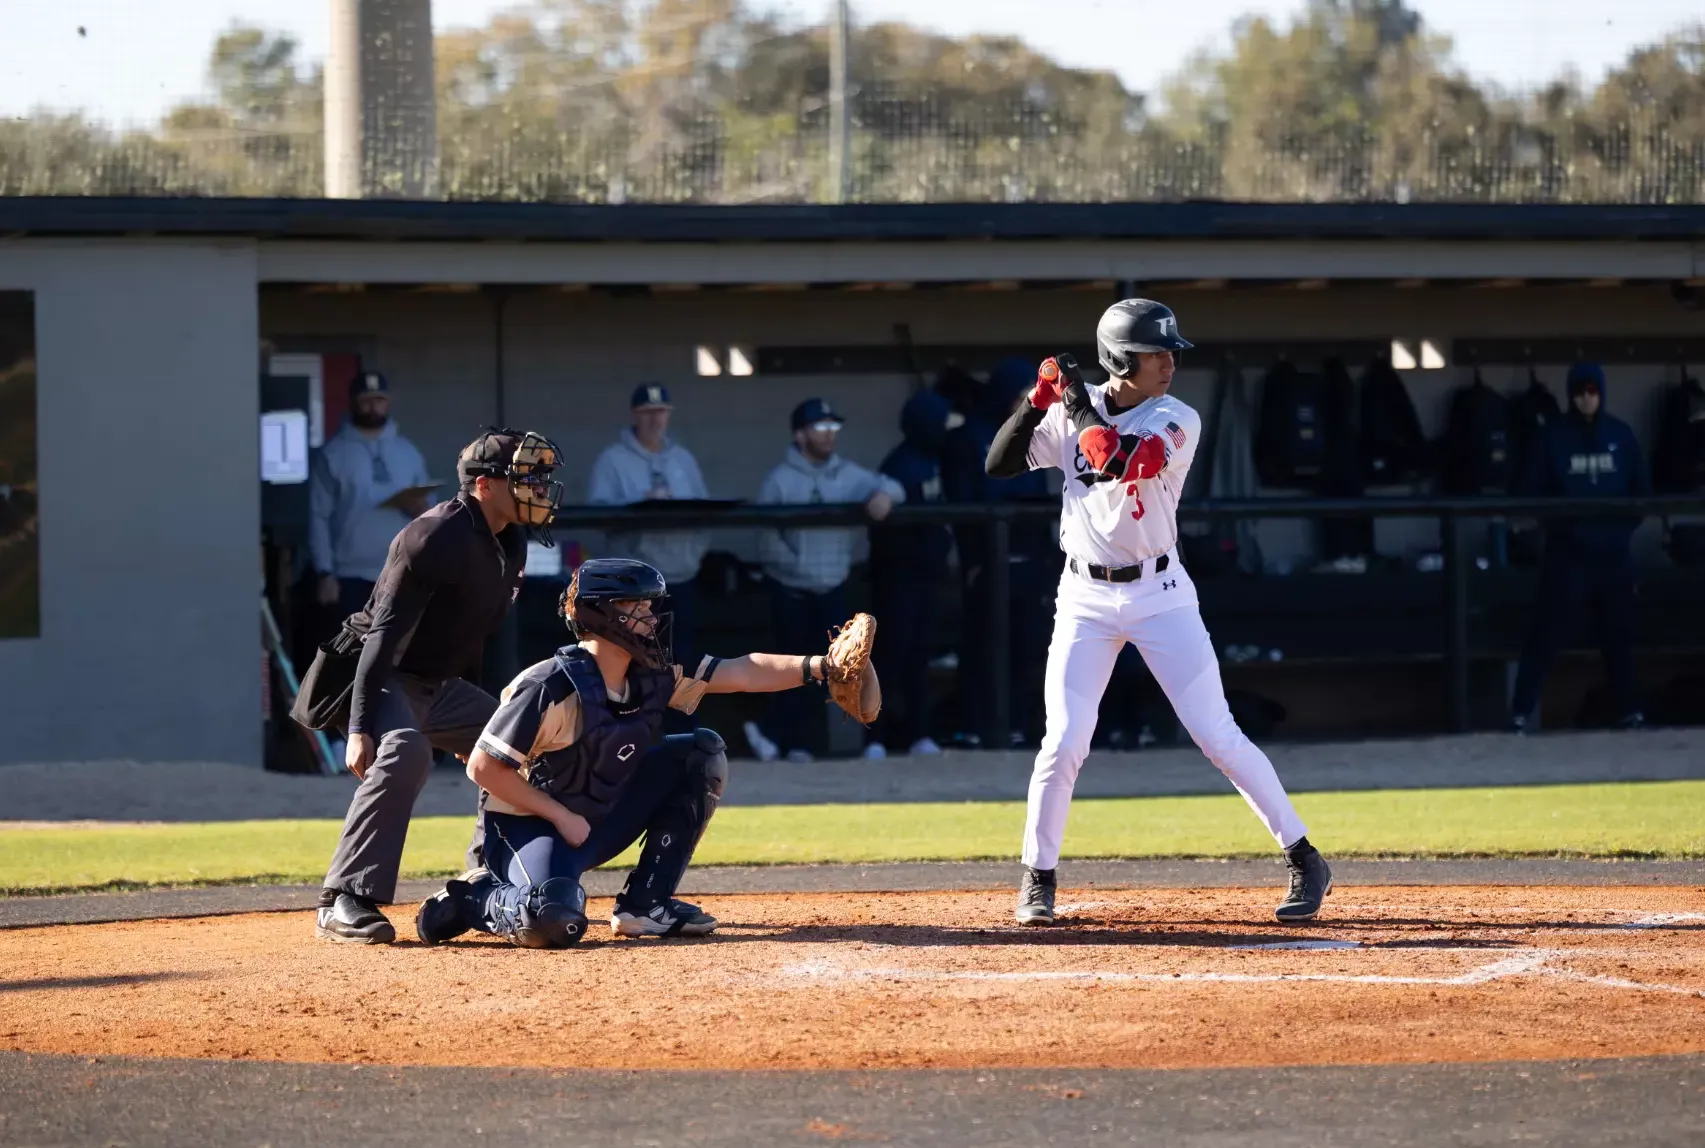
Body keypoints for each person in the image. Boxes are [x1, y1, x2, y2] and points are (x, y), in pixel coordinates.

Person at [984, 298, 1332, 927]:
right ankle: (1038, 877)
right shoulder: (1072, 409)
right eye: (1156, 353)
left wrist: (1073, 398)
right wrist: (1037, 401)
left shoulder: (1176, 417)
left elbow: (1118, 460)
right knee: (1063, 743)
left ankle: (1305, 858)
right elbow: (999, 464)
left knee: (1218, 735)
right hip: (1084, 598)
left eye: (1171, 352)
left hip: (1160, 594)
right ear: (1121, 359)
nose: (1170, 363)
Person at [412, 558, 875, 948]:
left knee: (699, 753)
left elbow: (741, 671)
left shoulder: (652, 672)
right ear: (601, 615)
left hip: (597, 818)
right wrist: (559, 816)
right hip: (525, 830)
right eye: (636, 608)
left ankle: (645, 905)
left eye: (650, 607)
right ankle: (474, 896)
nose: (651, 618)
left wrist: (821, 667)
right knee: (555, 919)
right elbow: (484, 767)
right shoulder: (548, 685)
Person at [312, 429, 565, 944]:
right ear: (484, 485)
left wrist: (478, 730)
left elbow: (470, 636)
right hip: (379, 674)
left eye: (539, 477)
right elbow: (382, 636)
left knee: (519, 743)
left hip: (439, 683)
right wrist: (359, 728)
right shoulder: (433, 536)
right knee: (406, 750)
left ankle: (486, 878)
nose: (538, 488)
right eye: (524, 477)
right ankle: (342, 899)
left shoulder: (509, 540)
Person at [744, 399, 905, 763]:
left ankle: (788, 738)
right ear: (801, 435)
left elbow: (895, 487)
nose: (829, 435)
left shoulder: (847, 474)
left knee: (832, 668)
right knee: (793, 669)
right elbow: (766, 539)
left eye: (833, 428)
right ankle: (787, 740)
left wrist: (884, 496)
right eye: (820, 428)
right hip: (790, 591)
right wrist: (799, 570)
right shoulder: (780, 479)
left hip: (832, 588)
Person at [1509, 362, 1650, 732]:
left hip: (1613, 556)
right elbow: (1531, 492)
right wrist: (1563, 531)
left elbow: (1642, 493)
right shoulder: (1551, 437)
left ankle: (1630, 711)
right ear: (1570, 395)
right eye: (1579, 392)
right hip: (1567, 556)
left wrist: (1617, 533)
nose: (1586, 399)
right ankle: (1520, 712)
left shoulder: (1621, 435)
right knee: (1545, 636)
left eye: (1592, 391)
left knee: (1618, 636)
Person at [941, 357, 1057, 748]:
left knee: (1026, 645)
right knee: (983, 644)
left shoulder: (1033, 435)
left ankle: (1018, 724)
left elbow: (1040, 499)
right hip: (987, 562)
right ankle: (976, 725)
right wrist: (973, 561)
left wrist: (1045, 559)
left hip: (1028, 564)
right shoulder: (969, 438)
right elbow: (962, 504)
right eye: (1024, 393)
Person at [587, 384, 712, 674]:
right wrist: (639, 505)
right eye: (648, 412)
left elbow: (706, 513)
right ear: (635, 414)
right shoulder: (613, 459)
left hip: (680, 577)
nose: (656, 419)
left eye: (661, 412)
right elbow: (598, 516)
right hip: (635, 586)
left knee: (681, 663)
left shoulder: (682, 458)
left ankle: (679, 708)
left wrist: (693, 556)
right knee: (636, 664)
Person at [867, 388, 954, 758]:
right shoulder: (899, 464)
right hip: (896, 578)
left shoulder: (935, 460)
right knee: (890, 656)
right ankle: (874, 738)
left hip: (925, 576)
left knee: (919, 655)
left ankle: (920, 733)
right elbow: (882, 515)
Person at [308, 371, 436, 624]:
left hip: (401, 571)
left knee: (397, 645)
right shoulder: (333, 454)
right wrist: (325, 572)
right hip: (349, 575)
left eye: (379, 399)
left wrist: (421, 510)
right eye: (365, 400)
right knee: (353, 645)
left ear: (388, 402)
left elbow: (430, 511)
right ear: (353, 403)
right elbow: (318, 516)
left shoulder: (408, 452)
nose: (372, 406)